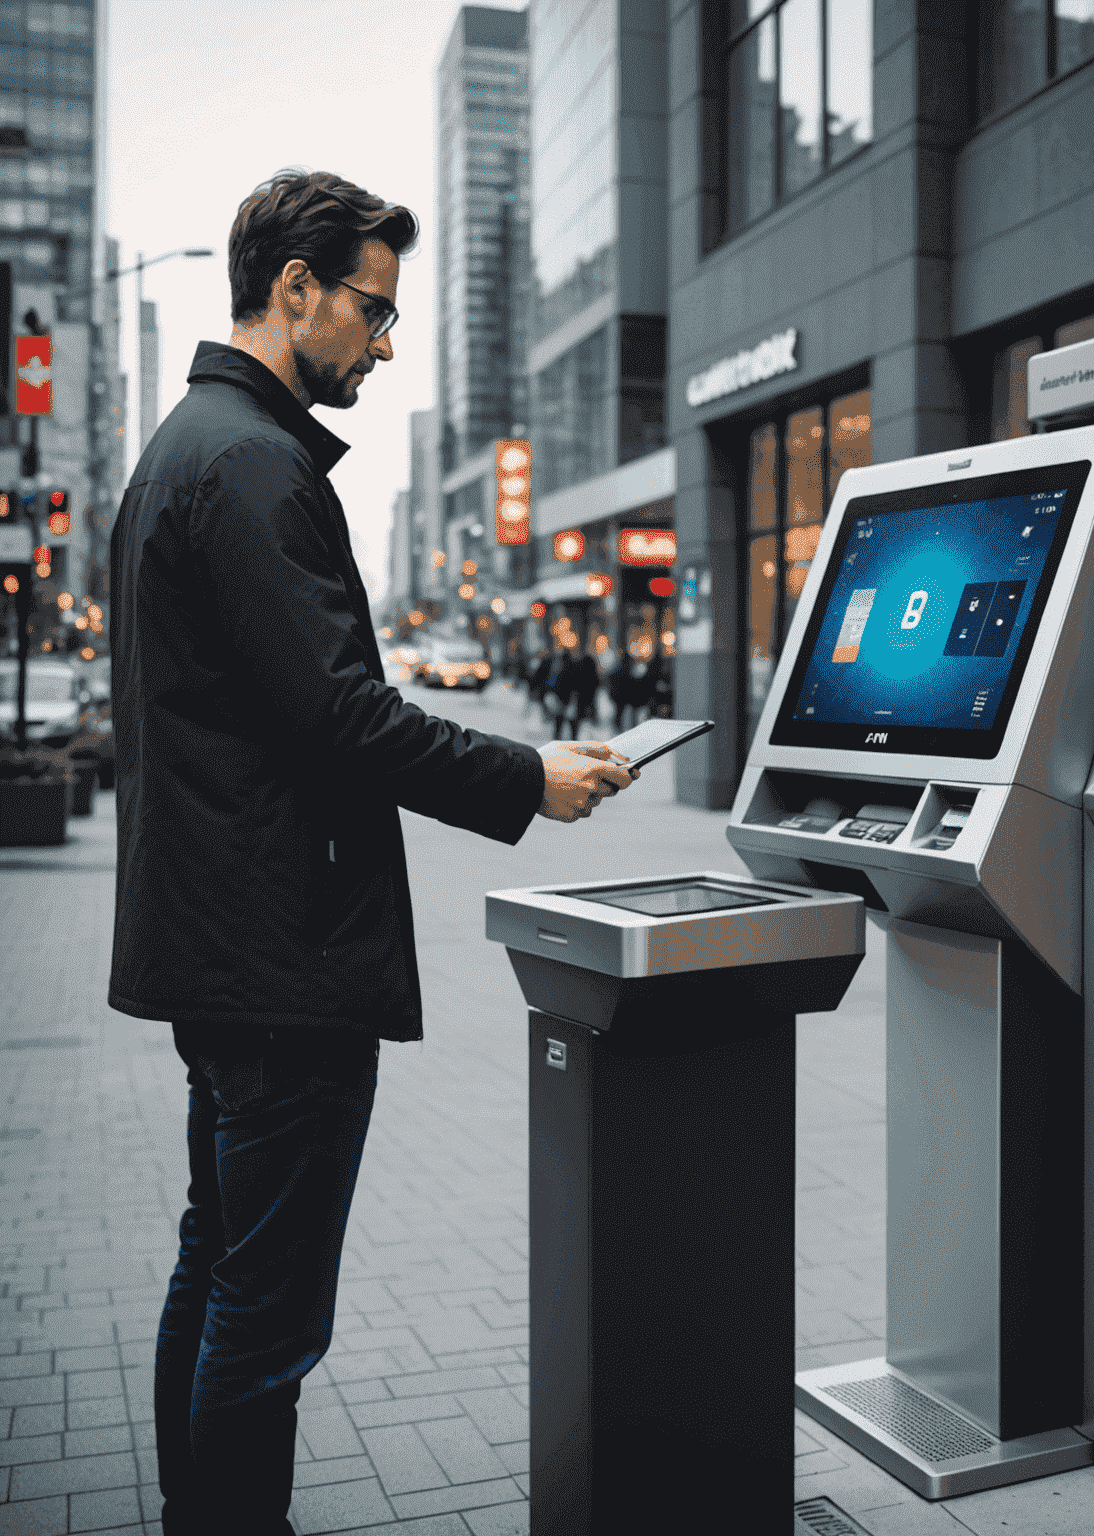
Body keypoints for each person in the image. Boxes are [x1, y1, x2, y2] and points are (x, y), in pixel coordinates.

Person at [108, 169, 636, 1536]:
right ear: (297, 290)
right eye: (373, 308)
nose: (386, 342)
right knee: (265, 1310)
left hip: (225, 946)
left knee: (220, 1264)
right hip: (281, 958)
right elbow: (344, 717)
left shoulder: (194, 447)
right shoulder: (251, 464)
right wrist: (532, 779)